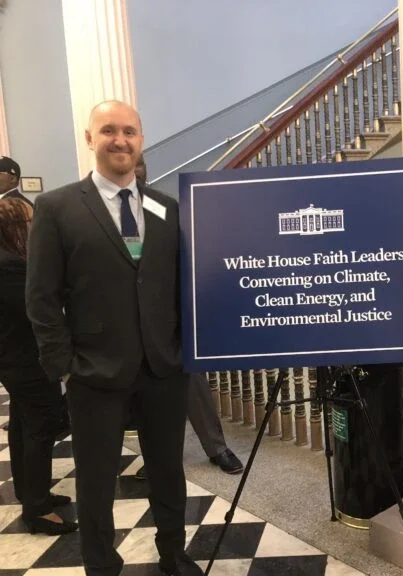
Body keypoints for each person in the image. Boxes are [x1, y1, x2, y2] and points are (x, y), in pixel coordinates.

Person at [26, 100, 202, 576]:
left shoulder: (165, 208)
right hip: (93, 370)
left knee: (168, 470)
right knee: (97, 477)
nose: (120, 140)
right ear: (90, 138)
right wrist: (61, 365)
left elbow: (177, 286)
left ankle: (173, 553)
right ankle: (101, 563)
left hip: (163, 368)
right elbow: (41, 297)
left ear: (141, 139)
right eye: (108, 131)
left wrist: (184, 348)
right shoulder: (56, 207)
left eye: (129, 131)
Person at [131, 155, 243, 479]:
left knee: (194, 385)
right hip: (131, 322)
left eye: (140, 165)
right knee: (146, 398)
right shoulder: (102, 213)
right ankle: (157, 457)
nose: (135, 171)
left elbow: (189, 257)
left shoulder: (166, 208)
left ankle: (217, 448)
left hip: (173, 319)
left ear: (145, 170)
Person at [0, 197, 77, 535]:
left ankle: (32, 493)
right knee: (40, 428)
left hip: (14, 360)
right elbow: (36, 308)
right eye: (28, 224)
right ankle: (37, 510)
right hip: (26, 361)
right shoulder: (11, 266)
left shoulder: (8, 260)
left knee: (21, 425)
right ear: (15, 229)